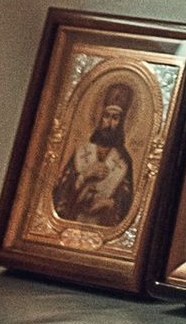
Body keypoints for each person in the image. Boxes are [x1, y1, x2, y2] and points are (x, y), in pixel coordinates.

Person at [50, 77, 141, 228]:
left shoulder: (124, 161)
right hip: (74, 219)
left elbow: (126, 201)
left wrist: (109, 203)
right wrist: (85, 175)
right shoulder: (82, 152)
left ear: (121, 122)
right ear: (101, 118)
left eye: (115, 118)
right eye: (106, 116)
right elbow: (60, 192)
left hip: (103, 223)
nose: (109, 123)